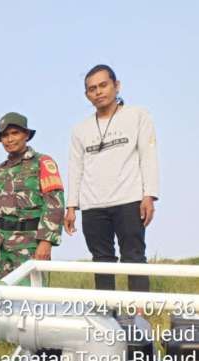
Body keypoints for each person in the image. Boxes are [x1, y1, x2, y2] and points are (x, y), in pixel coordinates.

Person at [65, 64, 159, 292]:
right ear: (86, 95)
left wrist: (150, 195)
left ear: (117, 86)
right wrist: (71, 206)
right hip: (92, 204)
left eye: (103, 85)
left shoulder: (138, 115)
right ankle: (107, 317)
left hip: (129, 199)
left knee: (134, 258)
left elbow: (148, 155)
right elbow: (75, 167)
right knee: (101, 260)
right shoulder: (80, 129)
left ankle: (139, 317)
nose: (98, 92)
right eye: (91, 89)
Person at [0, 113, 65, 282]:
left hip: (29, 246)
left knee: (30, 301)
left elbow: (54, 204)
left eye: (14, 133)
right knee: (0, 300)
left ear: (26, 135)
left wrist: (46, 241)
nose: (9, 139)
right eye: (5, 135)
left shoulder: (42, 163)